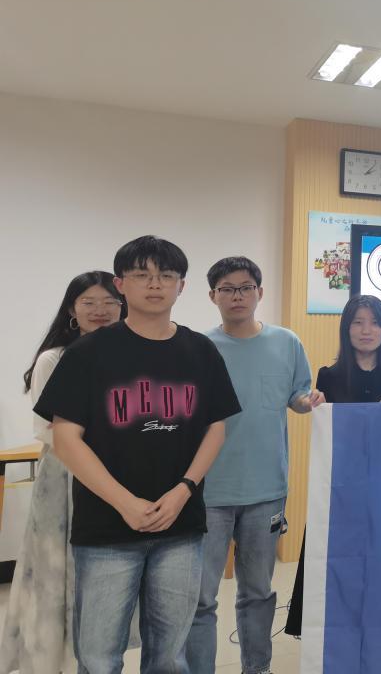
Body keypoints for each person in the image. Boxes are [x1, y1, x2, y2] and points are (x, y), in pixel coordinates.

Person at [34, 235, 241, 674]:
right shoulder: (88, 353)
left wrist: (183, 491)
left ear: (181, 286)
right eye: (142, 275)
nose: (155, 284)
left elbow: (216, 428)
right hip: (107, 529)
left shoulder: (200, 351)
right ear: (120, 283)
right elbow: (66, 438)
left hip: (181, 526)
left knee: (170, 655)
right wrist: (125, 503)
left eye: (166, 275)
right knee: (99, 656)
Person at [186, 257, 323, 674]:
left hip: (267, 489)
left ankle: (257, 668)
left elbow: (297, 396)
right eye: (227, 288)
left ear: (259, 293)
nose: (237, 296)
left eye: (246, 287)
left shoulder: (287, 342)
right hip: (209, 490)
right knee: (201, 597)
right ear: (212, 296)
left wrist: (309, 402)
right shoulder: (198, 347)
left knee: (258, 592)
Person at [0, 272, 125, 674]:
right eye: (89, 302)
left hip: (119, 476)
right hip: (66, 476)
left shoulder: (131, 354)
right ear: (72, 309)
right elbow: (48, 430)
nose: (100, 310)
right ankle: (53, 660)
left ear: (122, 306)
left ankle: (96, 657)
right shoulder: (53, 359)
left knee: (105, 575)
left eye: (109, 301)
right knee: (58, 570)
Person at [284, 294, 381, 637]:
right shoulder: (329, 375)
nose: (366, 330)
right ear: (346, 329)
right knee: (332, 553)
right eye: (357, 323)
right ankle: (323, 627)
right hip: (341, 484)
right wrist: (315, 402)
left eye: (375, 323)